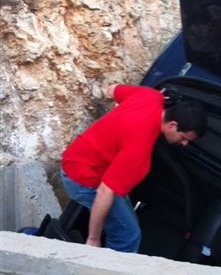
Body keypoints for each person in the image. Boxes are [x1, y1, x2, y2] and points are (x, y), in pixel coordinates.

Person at [61, 84, 206, 252]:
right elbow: (104, 192)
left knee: (127, 225)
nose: (184, 143)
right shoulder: (139, 146)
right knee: (127, 236)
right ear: (172, 125)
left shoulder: (150, 96)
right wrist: (93, 239)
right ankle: (107, 273)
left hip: (77, 156)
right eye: (184, 138)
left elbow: (112, 89)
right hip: (83, 178)